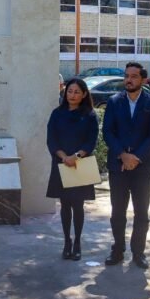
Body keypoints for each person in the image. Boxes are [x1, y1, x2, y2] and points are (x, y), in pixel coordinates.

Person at [103, 62, 150, 269]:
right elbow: (108, 132)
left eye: (134, 76)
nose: (129, 80)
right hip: (118, 166)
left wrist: (135, 157)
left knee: (141, 212)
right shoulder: (113, 102)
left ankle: (139, 252)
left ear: (143, 80)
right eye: (126, 76)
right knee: (117, 211)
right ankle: (117, 249)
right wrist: (122, 155)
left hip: (143, 167)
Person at [46, 78, 99, 261]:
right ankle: (67, 242)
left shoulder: (90, 115)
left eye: (77, 92)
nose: (72, 95)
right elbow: (51, 140)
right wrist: (64, 157)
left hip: (80, 164)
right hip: (61, 164)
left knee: (78, 205)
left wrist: (76, 156)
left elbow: (91, 141)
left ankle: (77, 243)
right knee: (65, 205)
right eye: (70, 91)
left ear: (84, 94)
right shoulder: (57, 114)